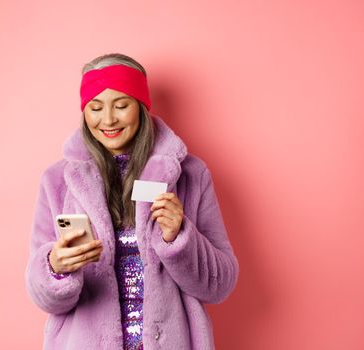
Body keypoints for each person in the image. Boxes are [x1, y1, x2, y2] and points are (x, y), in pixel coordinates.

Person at [24, 53, 239, 349]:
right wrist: (55, 267)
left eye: (121, 105)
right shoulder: (57, 181)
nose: (108, 119)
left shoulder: (190, 174)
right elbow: (40, 294)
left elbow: (220, 284)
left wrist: (180, 237)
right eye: (95, 108)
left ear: (141, 106)